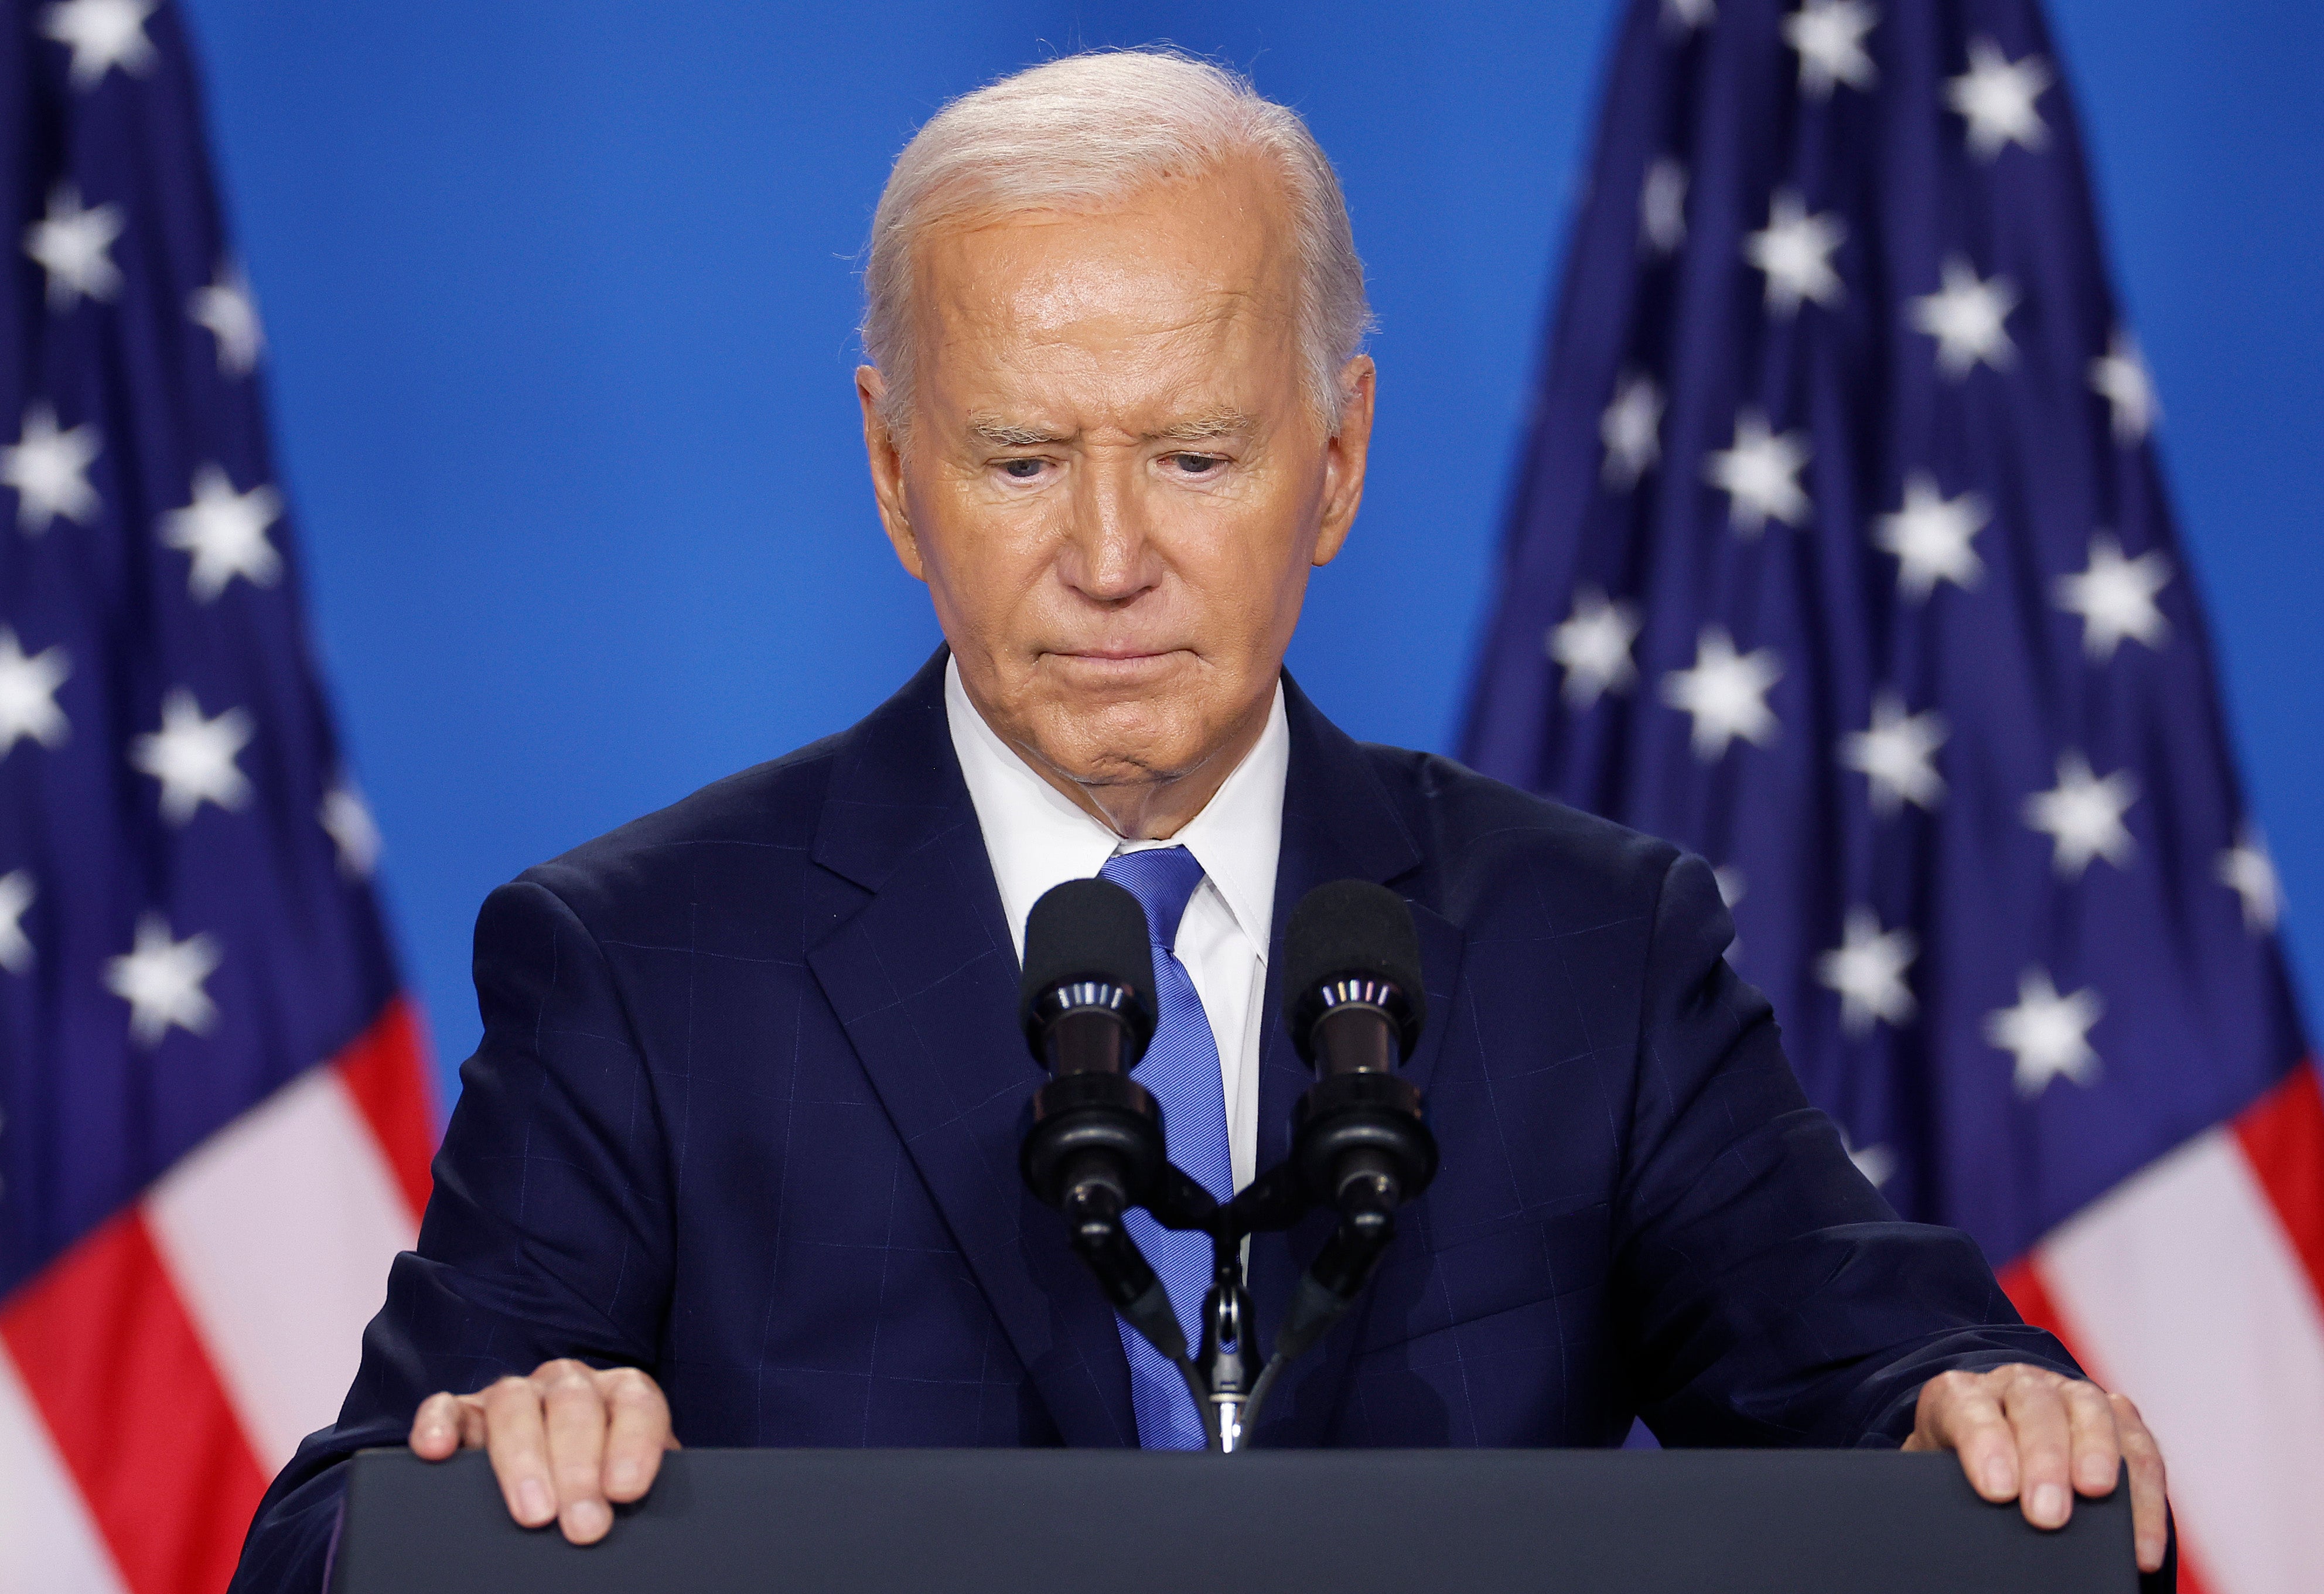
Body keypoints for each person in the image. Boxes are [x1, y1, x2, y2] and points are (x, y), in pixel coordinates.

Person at [229, 48, 2169, 1590]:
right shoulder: (651, 965)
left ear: (1335, 463)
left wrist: (1985, 1420)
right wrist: (488, 1466)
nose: (1108, 557)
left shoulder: (1592, 947)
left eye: (1193, 455)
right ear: (896, 479)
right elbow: (322, 1537)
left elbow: (1903, 1387)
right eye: (1016, 460)